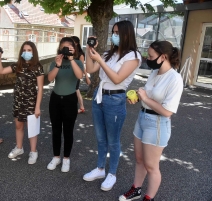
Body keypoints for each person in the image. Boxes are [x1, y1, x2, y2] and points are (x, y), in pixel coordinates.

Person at [119, 41, 183, 201]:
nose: (148, 59)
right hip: (142, 118)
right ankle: (136, 189)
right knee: (139, 159)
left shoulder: (175, 79)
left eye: (151, 56)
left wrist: (146, 98)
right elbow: (149, 95)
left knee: (151, 166)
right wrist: (138, 98)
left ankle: (149, 197)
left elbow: (168, 111)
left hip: (158, 124)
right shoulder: (156, 72)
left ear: (163, 57)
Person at [83, 20, 142, 191]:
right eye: (113, 32)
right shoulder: (110, 53)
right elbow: (90, 68)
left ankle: (112, 173)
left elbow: (117, 79)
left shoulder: (134, 56)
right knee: (100, 138)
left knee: (113, 141)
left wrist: (100, 60)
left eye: (117, 33)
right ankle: (100, 169)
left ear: (126, 34)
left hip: (115, 99)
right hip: (99, 97)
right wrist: (89, 51)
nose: (114, 36)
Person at [0, 41, 44, 165]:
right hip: (18, 101)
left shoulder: (38, 67)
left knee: (31, 128)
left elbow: (40, 88)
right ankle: (19, 148)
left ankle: (33, 151)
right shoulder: (17, 65)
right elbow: (0, 71)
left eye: (29, 50)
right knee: (19, 126)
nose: (26, 52)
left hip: (31, 103)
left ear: (33, 52)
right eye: (24, 50)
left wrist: (37, 107)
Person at [47, 37, 84, 172]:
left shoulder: (78, 62)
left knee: (68, 131)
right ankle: (56, 157)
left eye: (69, 47)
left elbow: (79, 76)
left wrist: (72, 59)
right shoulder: (55, 62)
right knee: (56, 130)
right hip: (55, 99)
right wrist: (57, 64)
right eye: (64, 47)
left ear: (74, 48)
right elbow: (50, 78)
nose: (66, 50)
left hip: (70, 99)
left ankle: (66, 159)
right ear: (60, 48)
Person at [71, 36, 91, 114]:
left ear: (76, 43)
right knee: (76, 90)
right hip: (70, 74)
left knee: (76, 90)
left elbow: (82, 67)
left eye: (72, 42)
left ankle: (81, 106)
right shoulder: (70, 53)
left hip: (76, 75)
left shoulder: (80, 54)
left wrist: (86, 77)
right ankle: (81, 107)